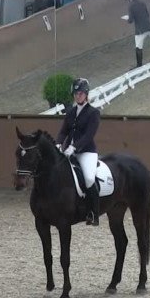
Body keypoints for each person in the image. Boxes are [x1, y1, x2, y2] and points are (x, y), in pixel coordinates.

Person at [55, 78, 101, 226]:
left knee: (88, 178)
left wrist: (74, 147)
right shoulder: (71, 112)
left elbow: (89, 135)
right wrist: (58, 144)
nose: (78, 96)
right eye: (76, 93)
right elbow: (64, 131)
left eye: (81, 93)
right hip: (68, 151)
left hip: (86, 152)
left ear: (86, 94)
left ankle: (94, 212)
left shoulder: (93, 113)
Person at [122, 0, 150, 68]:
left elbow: (130, 20)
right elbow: (147, 14)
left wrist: (127, 18)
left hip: (140, 31)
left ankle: (139, 65)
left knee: (138, 48)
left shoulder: (131, 6)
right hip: (149, 27)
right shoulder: (142, 3)